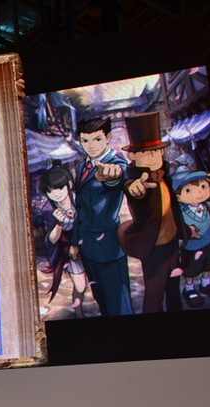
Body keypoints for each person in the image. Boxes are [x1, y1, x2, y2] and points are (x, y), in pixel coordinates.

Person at [119, 111, 185, 313]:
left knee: (174, 292)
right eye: (147, 153)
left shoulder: (164, 176)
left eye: (157, 152)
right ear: (132, 156)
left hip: (173, 244)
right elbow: (133, 189)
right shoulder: (139, 182)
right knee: (154, 296)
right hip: (154, 247)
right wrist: (134, 188)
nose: (154, 157)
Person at [71, 117, 132, 316]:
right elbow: (80, 208)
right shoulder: (82, 166)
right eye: (85, 141)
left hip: (108, 247)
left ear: (108, 138)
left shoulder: (116, 163)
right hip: (87, 245)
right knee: (103, 304)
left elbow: (117, 177)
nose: (91, 146)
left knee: (119, 307)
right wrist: (75, 242)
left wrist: (112, 177)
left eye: (97, 139)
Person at [38, 164, 88, 315]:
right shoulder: (49, 209)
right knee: (80, 286)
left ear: (69, 185)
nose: (56, 194)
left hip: (90, 242)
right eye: (50, 191)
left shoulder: (80, 198)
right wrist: (59, 223)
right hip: (70, 250)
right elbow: (52, 240)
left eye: (60, 188)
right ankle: (79, 314)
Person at [173, 170, 210, 307]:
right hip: (191, 246)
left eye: (203, 186)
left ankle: (206, 283)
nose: (199, 192)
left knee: (208, 264)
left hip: (209, 242)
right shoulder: (181, 212)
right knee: (191, 268)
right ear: (178, 197)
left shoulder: (207, 206)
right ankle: (189, 288)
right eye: (189, 190)